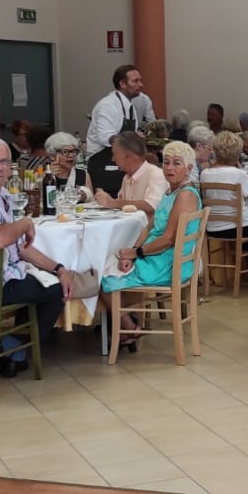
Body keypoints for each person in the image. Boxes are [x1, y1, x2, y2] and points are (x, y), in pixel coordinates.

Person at [0, 138, 72, 378]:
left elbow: (20, 248)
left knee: (58, 282)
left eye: (5, 162)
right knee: (56, 290)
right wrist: (25, 222)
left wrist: (59, 268)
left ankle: (12, 348)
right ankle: (13, 347)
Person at [101, 140, 205, 347]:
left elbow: (168, 239)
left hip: (171, 263)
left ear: (189, 168)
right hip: (158, 256)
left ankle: (129, 328)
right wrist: (132, 253)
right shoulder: (170, 192)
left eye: (177, 163)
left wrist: (136, 253)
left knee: (101, 276)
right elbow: (149, 228)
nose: (169, 168)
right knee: (110, 264)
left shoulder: (185, 196)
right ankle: (128, 325)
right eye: (166, 163)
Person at [201, 131, 248, 254]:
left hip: (212, 227)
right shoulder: (239, 174)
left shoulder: (205, 174)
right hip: (237, 227)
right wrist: (242, 171)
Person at [94, 131, 168, 220]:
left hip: (150, 231)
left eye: (114, 154)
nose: (113, 159)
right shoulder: (127, 177)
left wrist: (113, 203)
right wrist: (104, 200)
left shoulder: (156, 174)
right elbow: (120, 203)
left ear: (128, 155)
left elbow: (151, 206)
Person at [86, 65, 156, 157]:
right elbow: (105, 137)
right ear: (122, 84)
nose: (140, 85)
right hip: (101, 161)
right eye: (135, 81)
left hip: (120, 158)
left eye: (140, 81)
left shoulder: (130, 106)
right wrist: (133, 139)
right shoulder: (107, 105)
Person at [41, 131, 91, 197]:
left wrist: (85, 196)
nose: (71, 155)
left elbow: (92, 201)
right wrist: (48, 177)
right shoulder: (42, 176)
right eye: (65, 152)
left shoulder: (83, 175)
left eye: (74, 151)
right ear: (52, 155)